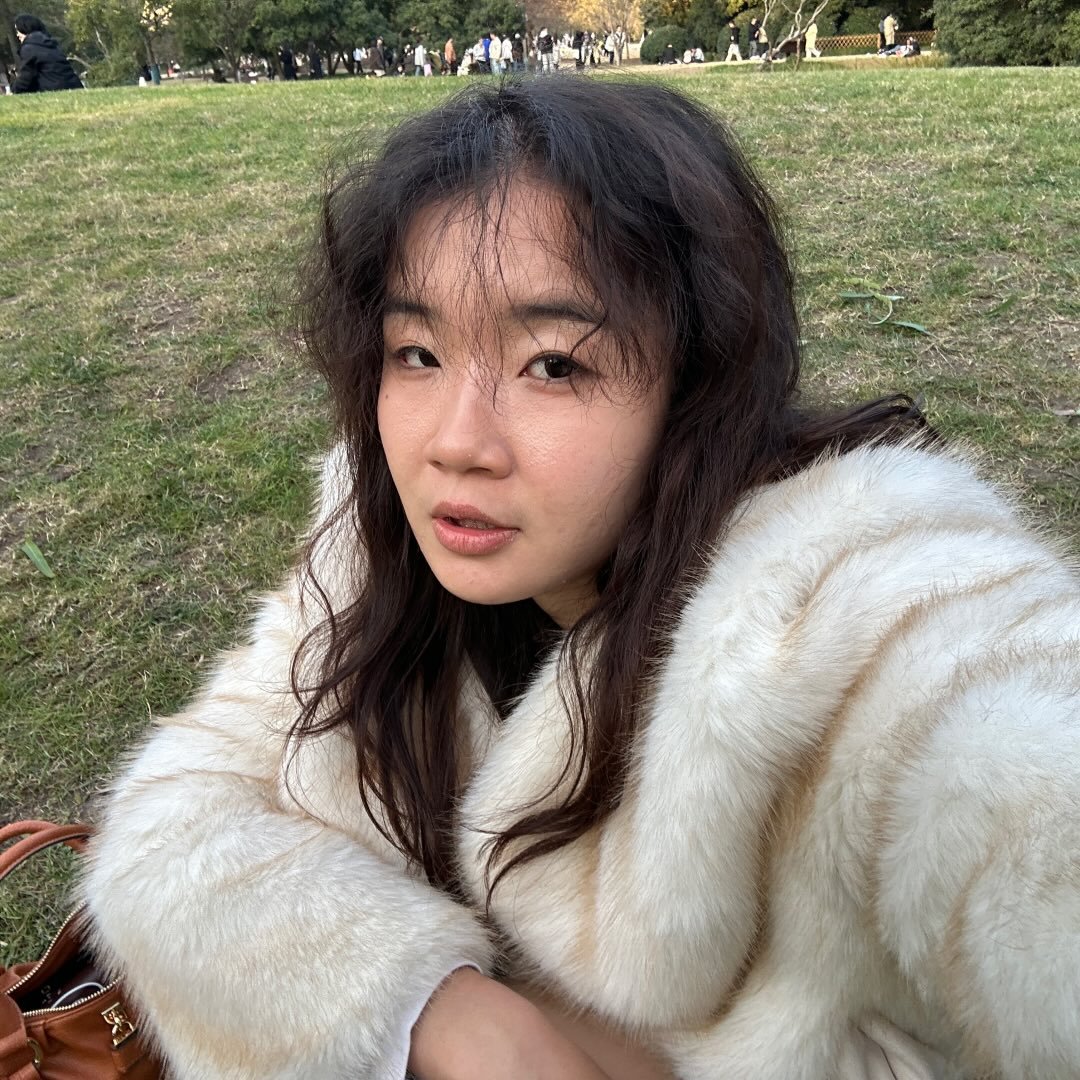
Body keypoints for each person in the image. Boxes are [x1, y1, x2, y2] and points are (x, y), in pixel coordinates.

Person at [82, 76, 1080, 1080]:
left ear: (695, 380)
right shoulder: (374, 558)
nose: (455, 443)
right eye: (417, 352)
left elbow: (1023, 787)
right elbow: (175, 827)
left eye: (553, 365)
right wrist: (441, 1013)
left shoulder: (851, 620)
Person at [11, 13, 82, 93]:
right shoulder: (50, 44)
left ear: (25, 28)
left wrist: (13, 90)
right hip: (74, 85)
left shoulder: (29, 48)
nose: (17, 35)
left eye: (18, 31)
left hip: (55, 88)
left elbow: (26, 77)